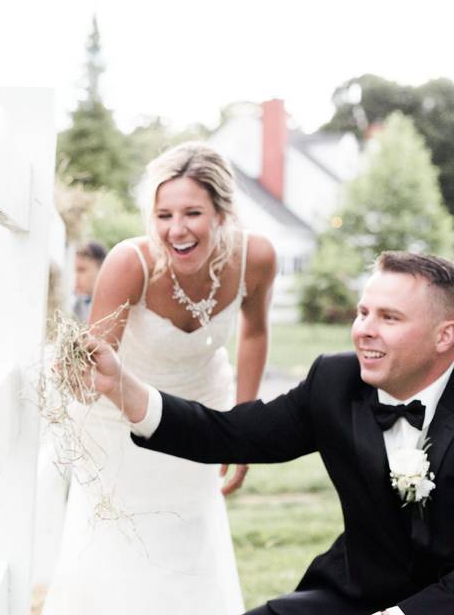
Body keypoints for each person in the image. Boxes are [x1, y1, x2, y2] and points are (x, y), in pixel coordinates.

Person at [87, 250, 454, 615]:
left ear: (444, 336)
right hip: (352, 595)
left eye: (389, 318)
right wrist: (121, 386)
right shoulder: (334, 381)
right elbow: (230, 434)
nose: (364, 330)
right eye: (363, 313)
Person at [43, 142, 277, 614]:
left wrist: (243, 434)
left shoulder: (257, 257)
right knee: (118, 550)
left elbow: (254, 333)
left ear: (221, 212)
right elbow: (94, 364)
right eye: (164, 214)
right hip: (119, 424)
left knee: (189, 544)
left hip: (205, 414)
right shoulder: (132, 263)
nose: (177, 229)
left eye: (192, 212)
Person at [72, 241, 107, 322]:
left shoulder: (116, 305)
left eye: (82, 270)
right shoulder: (78, 303)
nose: (76, 277)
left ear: (101, 269)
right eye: (76, 271)